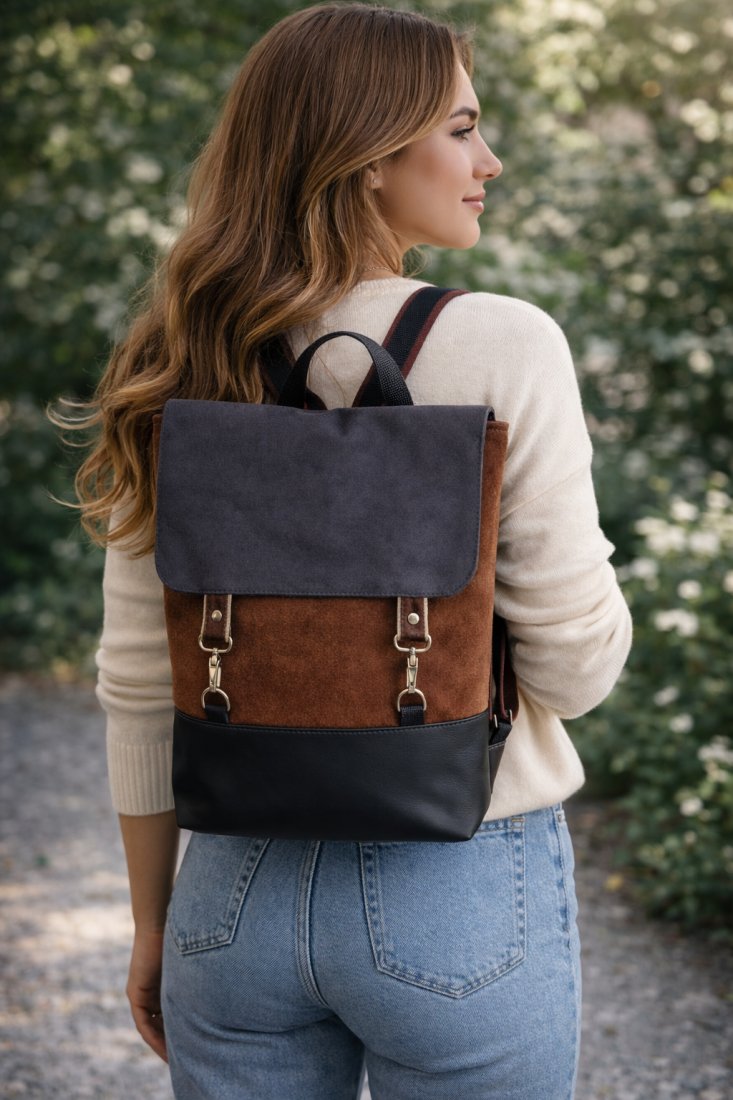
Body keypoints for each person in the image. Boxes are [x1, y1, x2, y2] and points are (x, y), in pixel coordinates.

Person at [67, 4, 632, 1097]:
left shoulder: (182, 351)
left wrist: (154, 924)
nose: (489, 160)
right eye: (461, 129)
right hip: (458, 887)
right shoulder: (506, 342)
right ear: (368, 155)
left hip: (230, 899)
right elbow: (575, 669)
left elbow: (138, 680)